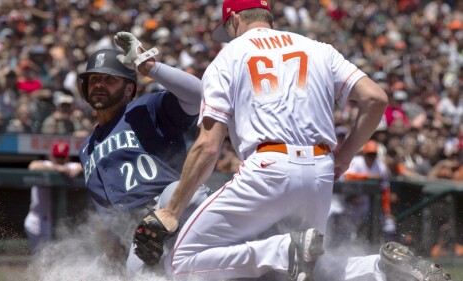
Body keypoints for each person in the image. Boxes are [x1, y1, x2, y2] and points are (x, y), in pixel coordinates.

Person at [141, 1, 452, 281]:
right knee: (308, 268)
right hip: (320, 171)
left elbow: (208, 145)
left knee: (181, 261)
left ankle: (280, 250)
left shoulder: (228, 57)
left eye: (227, 29)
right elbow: (375, 98)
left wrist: (171, 211)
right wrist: (343, 156)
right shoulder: (318, 48)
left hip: (268, 168)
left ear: (233, 19)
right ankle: (380, 270)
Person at [77, 33, 210, 277]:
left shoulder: (146, 107)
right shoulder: (86, 148)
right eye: (94, 79)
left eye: (109, 79)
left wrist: (149, 66)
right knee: (138, 274)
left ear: (129, 87)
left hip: (175, 202)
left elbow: (200, 95)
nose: (99, 84)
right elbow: (106, 213)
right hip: (140, 232)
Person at [24, 140, 82, 255]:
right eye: (57, 156)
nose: (59, 159)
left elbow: (86, 164)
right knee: (39, 257)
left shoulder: (69, 166)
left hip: (53, 221)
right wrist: (56, 168)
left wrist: (79, 168)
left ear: (67, 157)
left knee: (49, 258)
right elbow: (32, 166)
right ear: (51, 155)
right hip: (36, 220)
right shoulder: (46, 165)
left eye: (62, 157)